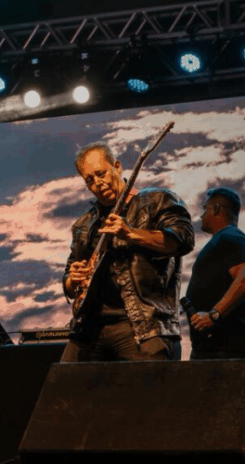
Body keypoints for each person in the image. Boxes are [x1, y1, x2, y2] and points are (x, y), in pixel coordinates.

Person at [61, 141, 194, 362]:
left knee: (148, 384)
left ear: (117, 166)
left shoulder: (157, 200)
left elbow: (182, 240)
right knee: (64, 381)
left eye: (101, 174)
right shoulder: (84, 224)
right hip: (89, 328)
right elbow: (69, 277)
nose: (98, 183)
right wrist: (72, 280)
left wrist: (130, 233)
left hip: (142, 324)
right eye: (89, 180)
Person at [184, 187, 245, 360]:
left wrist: (213, 315)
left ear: (216, 208)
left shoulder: (232, 237)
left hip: (224, 346)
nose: (201, 215)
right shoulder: (224, 239)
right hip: (210, 347)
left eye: (205, 209)